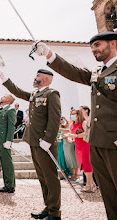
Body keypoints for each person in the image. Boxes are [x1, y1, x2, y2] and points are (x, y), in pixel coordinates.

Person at [35, 32, 117, 219]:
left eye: (97, 45)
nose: (94, 50)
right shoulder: (98, 72)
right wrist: (50, 55)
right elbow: (74, 72)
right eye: (92, 47)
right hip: (97, 141)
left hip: (114, 142)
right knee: (109, 195)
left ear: (112, 43)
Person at [0, 68, 61, 220]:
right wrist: (4, 78)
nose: (35, 77)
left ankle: (55, 213)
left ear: (46, 78)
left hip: (45, 143)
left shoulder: (52, 94)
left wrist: (48, 140)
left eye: (38, 75)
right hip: (34, 141)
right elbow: (17, 92)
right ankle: (48, 207)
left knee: (50, 178)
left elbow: (54, 119)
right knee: (43, 177)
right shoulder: (34, 94)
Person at [69, 109, 95, 192]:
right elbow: (71, 134)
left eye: (73, 114)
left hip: (85, 145)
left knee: (87, 164)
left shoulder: (83, 123)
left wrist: (75, 135)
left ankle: (88, 184)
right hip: (78, 146)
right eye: (71, 114)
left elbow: (87, 133)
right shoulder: (72, 124)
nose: (72, 115)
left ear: (78, 114)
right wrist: (70, 138)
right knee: (82, 165)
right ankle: (92, 184)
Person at [59, 116, 78, 181]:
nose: (61, 121)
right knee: (68, 159)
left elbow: (69, 131)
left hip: (70, 144)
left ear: (65, 119)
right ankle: (73, 174)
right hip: (65, 144)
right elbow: (61, 134)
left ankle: (76, 174)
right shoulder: (61, 127)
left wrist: (59, 129)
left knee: (73, 158)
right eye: (60, 120)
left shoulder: (70, 125)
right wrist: (60, 137)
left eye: (62, 119)